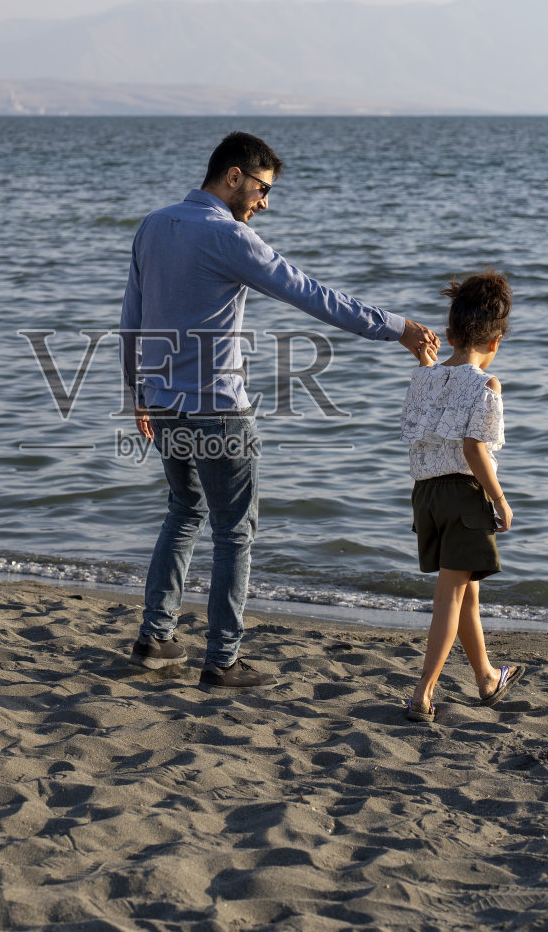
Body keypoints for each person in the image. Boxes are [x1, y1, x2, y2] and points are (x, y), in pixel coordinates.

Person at [119, 131, 440, 692]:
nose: (264, 202)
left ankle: (155, 637)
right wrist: (397, 328)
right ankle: (221, 661)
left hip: (165, 403)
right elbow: (312, 294)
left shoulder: (153, 224)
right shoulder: (231, 238)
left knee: (184, 510)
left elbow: (131, 320)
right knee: (235, 532)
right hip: (219, 410)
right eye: (262, 189)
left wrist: (138, 394)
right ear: (234, 176)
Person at [399, 270, 526, 722]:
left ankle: (488, 678)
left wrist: (428, 363)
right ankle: (422, 692)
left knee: (466, 590)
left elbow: (423, 421)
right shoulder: (486, 385)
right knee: (450, 596)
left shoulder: (422, 378)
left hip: (425, 497)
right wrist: (500, 500)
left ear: (450, 334)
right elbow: (474, 449)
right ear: (495, 343)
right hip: (462, 497)